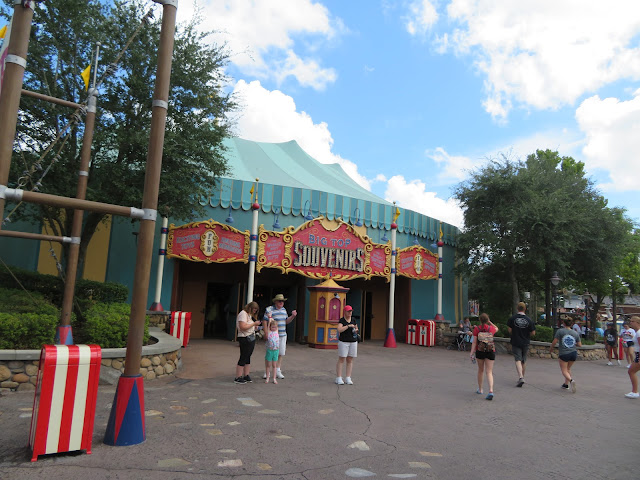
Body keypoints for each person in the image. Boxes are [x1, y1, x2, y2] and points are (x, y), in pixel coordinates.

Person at [263, 294, 297, 379]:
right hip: (272, 336)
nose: (281, 302)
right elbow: (264, 321)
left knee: (281, 353)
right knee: (269, 352)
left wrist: (292, 316)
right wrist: (266, 332)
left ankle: (278, 370)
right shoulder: (269, 309)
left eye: (282, 301)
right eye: (279, 301)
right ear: (275, 302)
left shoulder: (284, 310)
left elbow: (286, 321)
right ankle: (267, 371)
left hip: (282, 335)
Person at [469, 313, 498, 400]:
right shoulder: (491, 328)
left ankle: (480, 389)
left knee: (480, 370)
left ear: (480, 320)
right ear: (487, 320)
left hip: (480, 351)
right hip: (490, 351)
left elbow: (474, 342)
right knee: (489, 372)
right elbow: (497, 328)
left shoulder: (476, 329)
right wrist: (490, 322)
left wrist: (471, 352)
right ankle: (491, 390)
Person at [507, 302, 536, 387]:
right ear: (525, 309)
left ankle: (520, 377)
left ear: (517, 308)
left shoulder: (512, 318)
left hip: (516, 341)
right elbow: (533, 333)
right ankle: (522, 376)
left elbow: (509, 330)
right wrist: (526, 335)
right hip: (525, 342)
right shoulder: (529, 320)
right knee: (523, 360)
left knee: (518, 359)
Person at [549, 318, 582, 393]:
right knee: (568, 369)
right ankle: (566, 384)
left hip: (564, 353)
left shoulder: (560, 331)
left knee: (564, 370)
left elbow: (555, 341)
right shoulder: (575, 333)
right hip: (573, 353)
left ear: (563, 323)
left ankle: (571, 380)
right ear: (572, 324)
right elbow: (580, 344)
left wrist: (551, 348)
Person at [234, 301, 260, 384]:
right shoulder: (243, 314)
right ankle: (238, 377)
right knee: (244, 355)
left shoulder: (249, 315)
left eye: (256, 310)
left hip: (250, 337)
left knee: (248, 356)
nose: (255, 311)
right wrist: (253, 324)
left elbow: (248, 326)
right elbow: (243, 327)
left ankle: (246, 374)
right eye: (254, 309)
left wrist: (255, 327)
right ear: (250, 308)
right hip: (244, 337)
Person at [335, 305, 359, 385]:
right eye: (348, 311)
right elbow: (339, 329)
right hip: (344, 342)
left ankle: (348, 377)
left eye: (351, 311)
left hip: (353, 341)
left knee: (350, 359)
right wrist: (348, 326)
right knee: (342, 359)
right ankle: (339, 377)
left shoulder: (353, 319)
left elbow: (356, 328)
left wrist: (355, 329)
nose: (350, 313)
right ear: (345, 312)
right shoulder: (342, 320)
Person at [624, 316, 640, 398]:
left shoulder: (638, 333)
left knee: (631, 371)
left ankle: (635, 391)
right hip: (637, 355)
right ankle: (634, 391)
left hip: (639, 355)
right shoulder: (637, 332)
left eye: (632, 321)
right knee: (631, 371)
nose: (630, 323)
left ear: (637, 323)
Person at [264, 319, 280, 384]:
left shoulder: (276, 332)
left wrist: (272, 319)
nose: (274, 328)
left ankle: (274, 378)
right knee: (268, 364)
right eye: (272, 327)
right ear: (270, 327)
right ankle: (268, 377)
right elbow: (268, 327)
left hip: (275, 350)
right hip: (270, 350)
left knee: (274, 365)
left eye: (275, 327)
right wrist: (270, 318)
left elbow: (276, 326)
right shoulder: (269, 332)